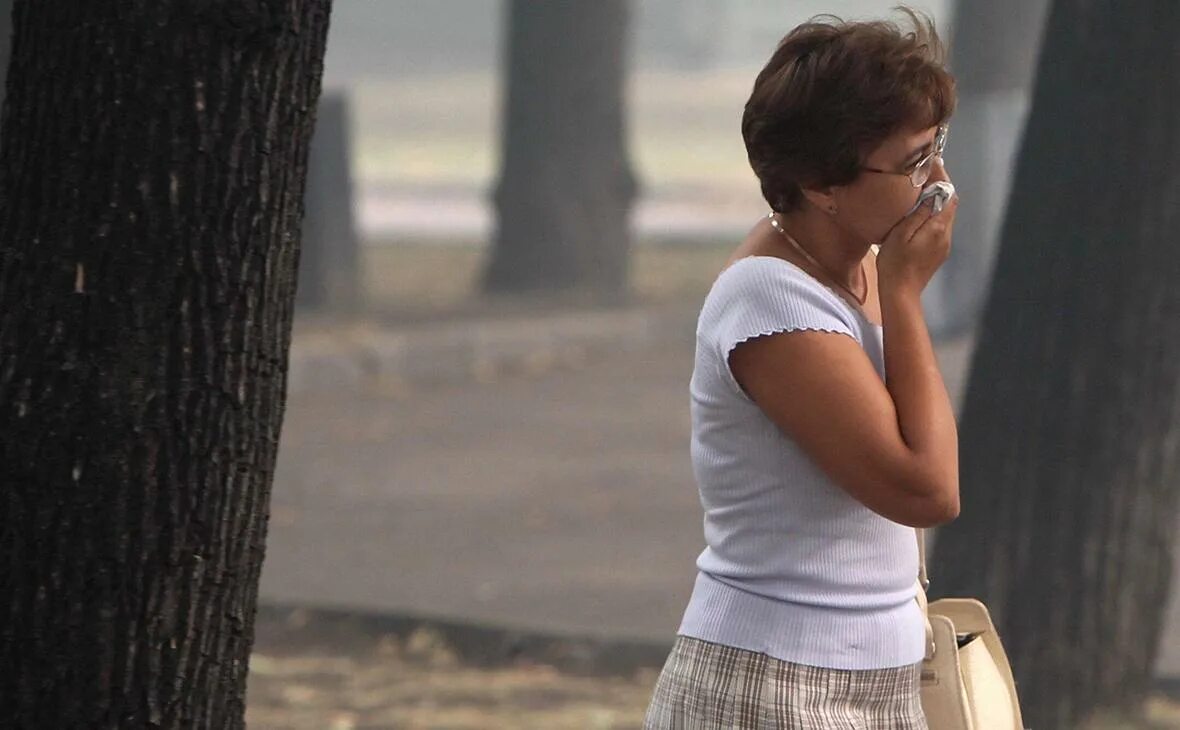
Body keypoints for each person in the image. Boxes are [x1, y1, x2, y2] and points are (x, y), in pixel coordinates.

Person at [644, 8, 960, 729]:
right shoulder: (768, 299)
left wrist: (895, 284)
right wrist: (906, 295)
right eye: (913, 161)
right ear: (823, 184)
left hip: (878, 675)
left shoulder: (860, 264)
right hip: (774, 685)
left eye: (937, 146)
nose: (939, 179)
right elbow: (927, 488)